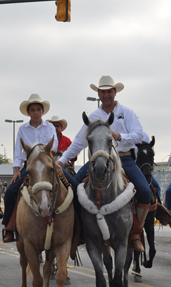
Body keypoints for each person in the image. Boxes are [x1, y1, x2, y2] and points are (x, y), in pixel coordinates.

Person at [57, 75, 149, 252]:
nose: (106, 95)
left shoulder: (127, 113)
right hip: (99, 159)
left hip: (124, 158)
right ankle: (79, 230)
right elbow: (79, 142)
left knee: (144, 191)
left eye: (109, 91)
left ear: (115, 92)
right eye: (103, 92)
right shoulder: (94, 116)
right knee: (74, 188)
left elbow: (139, 135)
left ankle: (136, 232)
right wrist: (62, 161)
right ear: (98, 94)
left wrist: (120, 136)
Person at [2, 93, 73, 243]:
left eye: (38, 109)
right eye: (32, 110)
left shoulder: (49, 127)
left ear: (43, 112)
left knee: (74, 186)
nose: (36, 112)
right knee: (10, 191)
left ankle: (78, 228)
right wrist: (16, 169)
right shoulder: (22, 129)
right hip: (29, 165)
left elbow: (53, 146)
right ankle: (8, 227)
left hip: (49, 164)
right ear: (28, 112)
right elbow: (17, 151)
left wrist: (41, 152)